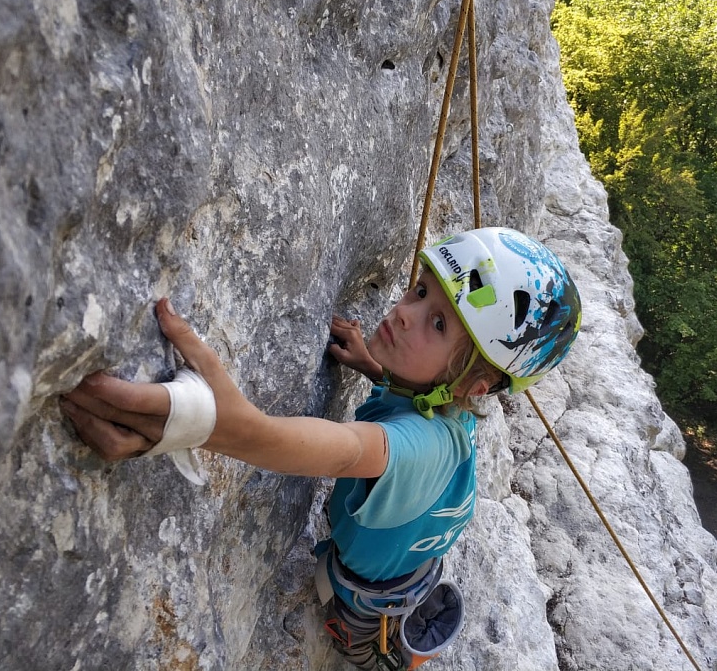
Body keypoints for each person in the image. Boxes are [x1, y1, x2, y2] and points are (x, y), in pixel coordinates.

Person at [61, 227, 581, 670]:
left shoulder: (420, 450)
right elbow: (415, 409)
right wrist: (373, 367)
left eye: (439, 324)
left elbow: (344, 450)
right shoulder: (449, 406)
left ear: (472, 387)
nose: (406, 313)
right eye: (422, 291)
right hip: (410, 564)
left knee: (360, 644)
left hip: (366, 616)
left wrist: (198, 420)